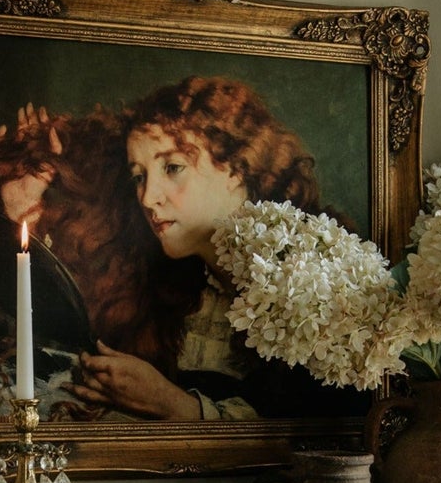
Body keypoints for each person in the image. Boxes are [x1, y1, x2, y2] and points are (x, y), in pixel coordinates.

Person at [71, 77, 326, 421]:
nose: (148, 198)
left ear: (236, 168)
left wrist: (170, 404)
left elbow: (306, 424)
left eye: (173, 168)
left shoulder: (310, 273)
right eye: (139, 176)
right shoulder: (176, 287)